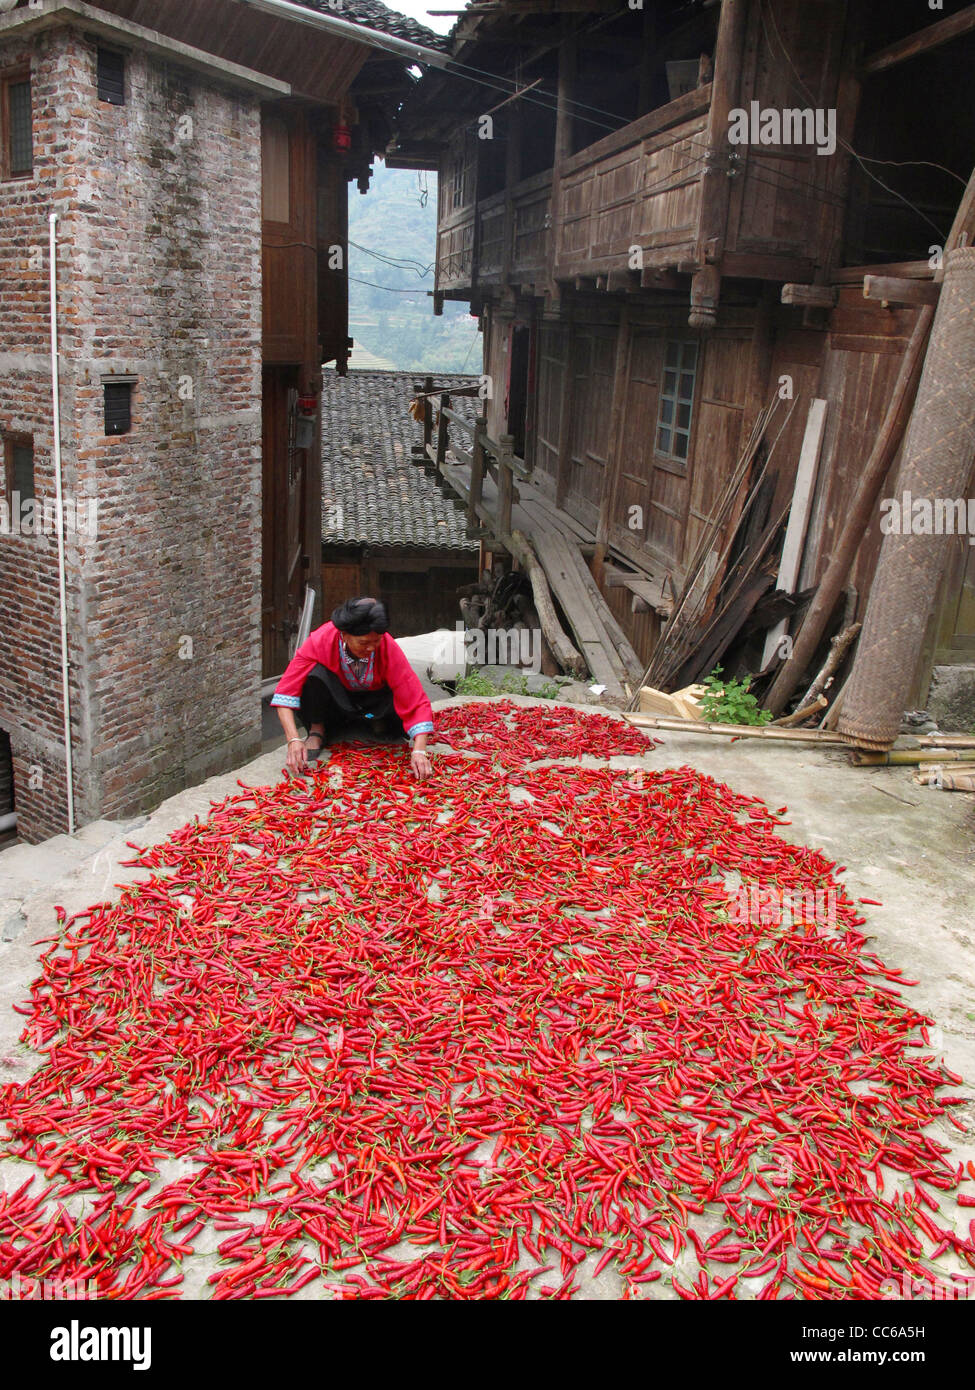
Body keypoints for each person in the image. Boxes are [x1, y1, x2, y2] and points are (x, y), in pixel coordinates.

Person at [271, 596, 434, 781]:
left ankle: (375, 722)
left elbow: (415, 697)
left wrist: (420, 750)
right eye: (364, 643)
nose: (372, 648)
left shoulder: (387, 646)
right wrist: (293, 740)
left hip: (376, 704)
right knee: (313, 675)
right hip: (338, 702)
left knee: (396, 694)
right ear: (344, 635)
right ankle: (317, 729)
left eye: (377, 641)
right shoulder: (321, 639)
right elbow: (285, 691)